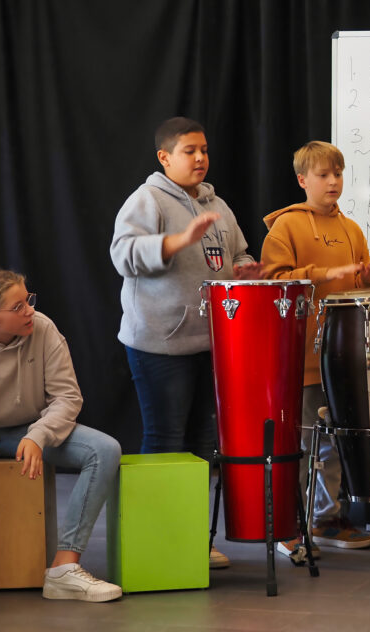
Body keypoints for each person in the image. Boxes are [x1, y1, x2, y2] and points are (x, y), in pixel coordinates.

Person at [110, 116, 264, 569]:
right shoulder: (147, 199)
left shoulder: (217, 204)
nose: (200, 158)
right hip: (160, 343)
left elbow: (237, 253)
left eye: (204, 150)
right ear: (165, 157)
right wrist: (177, 241)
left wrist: (246, 270)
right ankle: (156, 542)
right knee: (165, 440)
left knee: (201, 445)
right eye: (189, 151)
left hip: (211, 342)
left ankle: (191, 539)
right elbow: (123, 255)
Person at [261, 141, 370, 560]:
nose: (333, 181)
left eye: (338, 173)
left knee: (335, 442)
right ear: (303, 180)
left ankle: (324, 518)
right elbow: (272, 281)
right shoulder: (286, 227)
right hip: (302, 358)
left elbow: (357, 291)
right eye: (323, 175)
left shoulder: (351, 229)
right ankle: (287, 526)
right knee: (300, 444)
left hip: (343, 358)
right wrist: (325, 272)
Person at [0, 268, 123, 602]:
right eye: (18, 306)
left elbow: (67, 397)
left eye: (28, 300)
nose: (30, 311)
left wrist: (38, 435)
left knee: (103, 450)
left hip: (28, 429)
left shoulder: (42, 328)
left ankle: (64, 568)